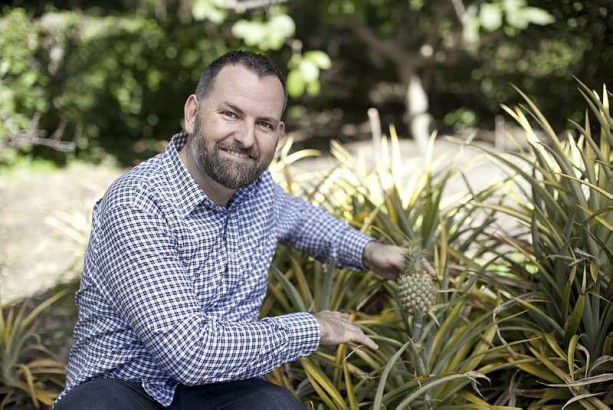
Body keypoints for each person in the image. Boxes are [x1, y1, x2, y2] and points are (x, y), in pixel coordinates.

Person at [54, 50, 427, 409]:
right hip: (124, 390)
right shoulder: (138, 203)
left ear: (279, 134)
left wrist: (368, 250)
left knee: (275, 406)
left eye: (263, 124)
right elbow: (190, 354)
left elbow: (302, 220)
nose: (247, 139)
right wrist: (314, 327)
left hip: (220, 391)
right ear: (193, 113)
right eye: (231, 114)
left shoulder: (258, 191)